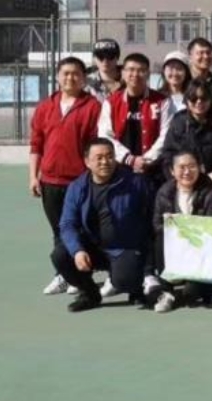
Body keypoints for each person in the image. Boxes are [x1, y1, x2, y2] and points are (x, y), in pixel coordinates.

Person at [53, 138, 153, 312]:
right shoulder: (77, 187)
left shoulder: (135, 183)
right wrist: (77, 250)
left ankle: (135, 289)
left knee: (125, 279)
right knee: (60, 256)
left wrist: (145, 251)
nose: (105, 162)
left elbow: (152, 215)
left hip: (124, 247)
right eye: (99, 158)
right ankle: (90, 294)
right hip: (92, 248)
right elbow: (67, 224)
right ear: (87, 161)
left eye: (109, 156)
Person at [30, 57, 103, 296]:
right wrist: (33, 176)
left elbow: (95, 145)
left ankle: (80, 276)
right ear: (58, 77)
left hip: (79, 181)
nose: (70, 78)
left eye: (75, 74)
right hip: (50, 181)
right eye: (66, 73)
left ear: (83, 78)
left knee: (79, 229)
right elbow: (36, 145)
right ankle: (62, 275)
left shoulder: (93, 107)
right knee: (58, 231)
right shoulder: (45, 107)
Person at [151, 149, 212, 313]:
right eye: (182, 167)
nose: (187, 172)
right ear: (172, 171)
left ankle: (195, 288)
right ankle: (166, 290)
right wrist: (173, 228)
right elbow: (156, 224)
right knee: (160, 239)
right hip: (175, 246)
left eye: (192, 166)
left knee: (192, 293)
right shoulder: (164, 192)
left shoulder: (210, 191)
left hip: (200, 248)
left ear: (200, 168)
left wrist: (188, 231)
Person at [98, 52, 170, 178]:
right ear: (123, 73)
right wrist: (129, 159)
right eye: (131, 70)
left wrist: (146, 159)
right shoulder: (111, 102)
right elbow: (105, 134)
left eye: (141, 70)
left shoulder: (162, 101)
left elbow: (166, 134)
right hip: (120, 168)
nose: (135, 74)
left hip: (153, 169)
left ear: (148, 74)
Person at [158, 79, 212, 185]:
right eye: (193, 98)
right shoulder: (179, 122)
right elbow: (168, 155)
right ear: (186, 100)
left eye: (204, 98)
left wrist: (211, 179)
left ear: (210, 99)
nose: (199, 102)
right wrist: (178, 178)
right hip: (182, 181)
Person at [158, 51, 192, 129]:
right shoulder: (157, 97)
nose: (175, 73)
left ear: (186, 72)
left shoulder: (193, 97)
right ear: (164, 71)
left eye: (179, 69)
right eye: (170, 68)